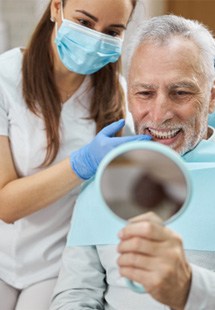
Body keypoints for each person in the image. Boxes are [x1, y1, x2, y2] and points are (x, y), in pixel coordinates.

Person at [50, 15, 215, 310]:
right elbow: (75, 294)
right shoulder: (102, 183)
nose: (160, 113)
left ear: (212, 97)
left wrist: (189, 288)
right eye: (145, 93)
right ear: (128, 97)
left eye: (180, 92)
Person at [0, 0, 153, 309]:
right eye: (84, 23)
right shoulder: (6, 77)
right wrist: (83, 163)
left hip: (56, 264)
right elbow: (5, 205)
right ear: (57, 8)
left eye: (112, 31)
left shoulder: (119, 99)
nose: (96, 38)